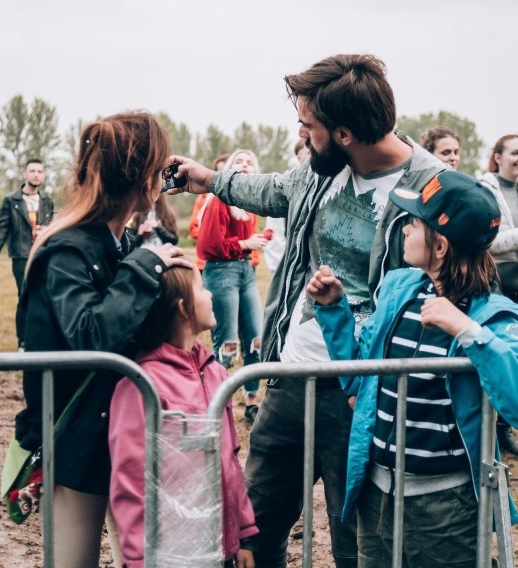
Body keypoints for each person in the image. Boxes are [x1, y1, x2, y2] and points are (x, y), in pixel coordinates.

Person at [168, 54, 446, 568]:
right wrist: (207, 178)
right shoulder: (321, 172)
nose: (300, 132)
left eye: (307, 125)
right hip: (290, 377)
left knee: (357, 539)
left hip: (365, 392)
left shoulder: (432, 186)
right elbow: (272, 189)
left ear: (343, 132)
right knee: (255, 526)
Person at [306, 169, 518, 567]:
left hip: (445, 509)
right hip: (375, 493)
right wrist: (334, 311)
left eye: (414, 224)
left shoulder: (495, 317)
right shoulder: (399, 288)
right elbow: (359, 379)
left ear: (440, 245)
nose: (404, 232)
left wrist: (468, 332)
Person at [12, 111, 190, 567]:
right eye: (160, 168)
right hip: (77, 444)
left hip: (126, 434)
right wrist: (147, 265)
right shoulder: (68, 250)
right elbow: (92, 335)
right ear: (142, 176)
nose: (164, 178)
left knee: (142, 559)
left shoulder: (123, 243)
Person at [109, 265, 257, 568]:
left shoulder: (217, 373)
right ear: (182, 307)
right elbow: (131, 478)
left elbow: (229, 460)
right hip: (168, 554)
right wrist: (140, 559)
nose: (211, 293)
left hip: (219, 548)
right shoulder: (140, 385)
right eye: (201, 288)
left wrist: (243, 535)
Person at [479, 134, 518, 458]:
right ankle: (485, 426)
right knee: (493, 349)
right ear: (497, 156)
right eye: (515, 152)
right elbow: (483, 239)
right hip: (493, 280)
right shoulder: (484, 188)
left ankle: (506, 428)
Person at [197, 149, 268, 424]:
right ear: (228, 168)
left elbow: (246, 239)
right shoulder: (217, 201)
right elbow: (207, 246)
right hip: (221, 272)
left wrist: (255, 241)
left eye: (250, 161)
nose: (245, 165)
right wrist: (245, 244)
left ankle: (251, 401)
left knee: (255, 336)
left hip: (245, 269)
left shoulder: (249, 206)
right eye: (239, 161)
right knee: (226, 341)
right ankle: (215, 404)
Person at [0, 159, 54, 348]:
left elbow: (51, 225)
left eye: (40, 171)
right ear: (25, 174)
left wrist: (47, 231)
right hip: (21, 254)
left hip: (42, 253)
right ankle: (23, 342)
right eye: (32, 171)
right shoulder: (12, 200)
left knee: (42, 297)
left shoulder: (47, 200)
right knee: (25, 296)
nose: (36, 174)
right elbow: (3, 227)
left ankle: (39, 339)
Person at [263, 139, 310, 274]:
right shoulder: (286, 187)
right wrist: (280, 269)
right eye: (309, 151)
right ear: (299, 157)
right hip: (290, 268)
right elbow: (276, 234)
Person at [190, 154, 229, 271]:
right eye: (218, 171)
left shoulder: (242, 202)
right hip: (207, 262)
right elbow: (193, 229)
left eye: (226, 170)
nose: (221, 174)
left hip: (237, 260)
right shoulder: (203, 199)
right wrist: (214, 234)